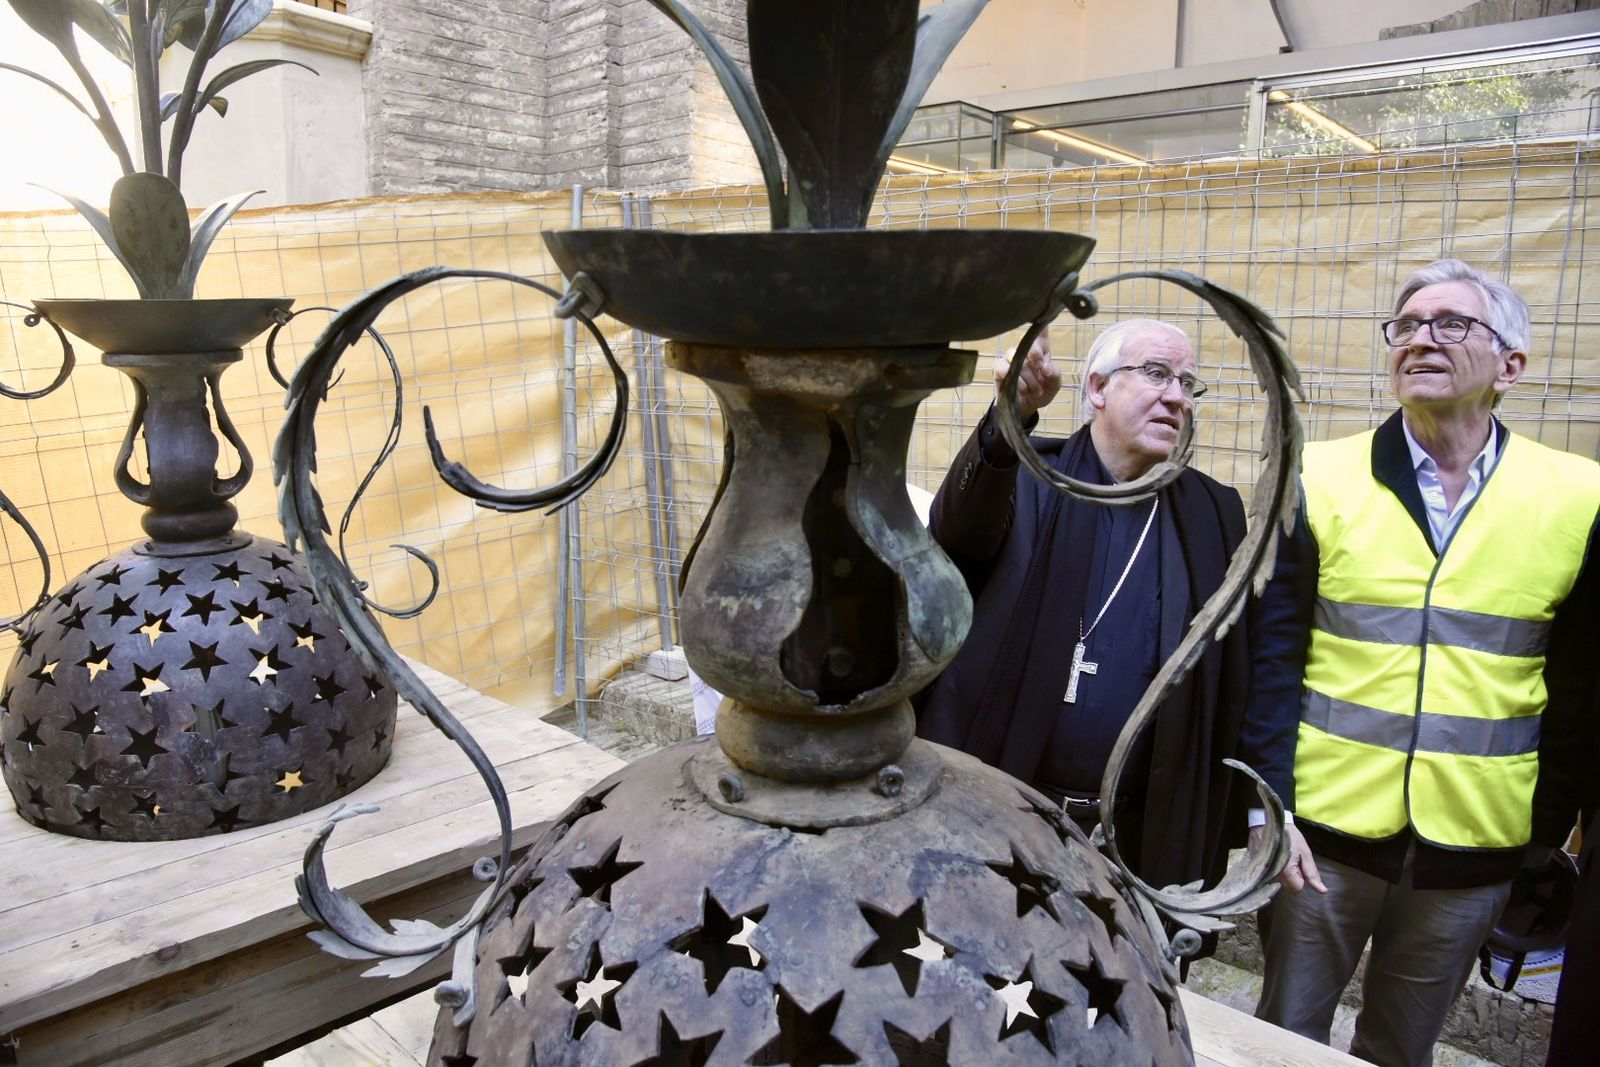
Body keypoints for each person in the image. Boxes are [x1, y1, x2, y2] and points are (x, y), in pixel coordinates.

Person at [1241, 259, 1600, 1067]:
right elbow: (1272, 657)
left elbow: (1578, 686)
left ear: (1510, 364)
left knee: (1402, 1048)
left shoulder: (1578, 496)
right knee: (1282, 1039)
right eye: (1406, 325)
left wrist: (1543, 835)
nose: (1419, 339)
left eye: (1451, 323)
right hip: (1322, 840)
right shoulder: (1318, 474)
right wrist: (1268, 809)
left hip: (1476, 842)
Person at [916, 318, 1253, 894]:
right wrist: (1008, 422)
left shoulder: (1211, 513)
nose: (1176, 396)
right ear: (1097, 389)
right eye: (1155, 374)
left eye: (1188, 384)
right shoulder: (1025, 475)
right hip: (1000, 806)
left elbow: (1233, 672)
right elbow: (958, 536)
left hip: (1131, 835)